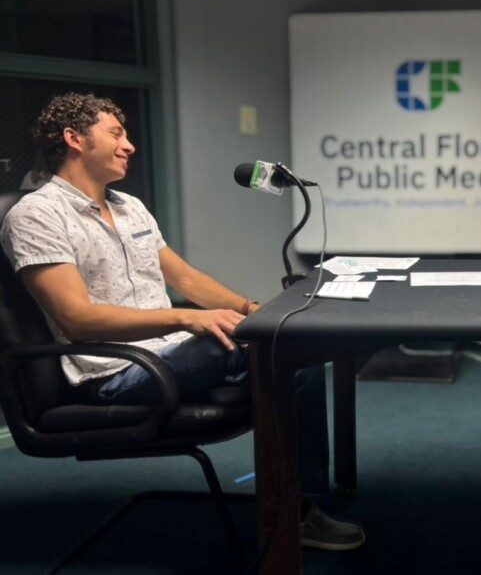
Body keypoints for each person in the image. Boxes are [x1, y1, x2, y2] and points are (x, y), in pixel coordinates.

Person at [0, 93, 365, 551]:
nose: (129, 145)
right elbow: (76, 320)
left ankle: (302, 503)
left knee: (292, 353)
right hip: (114, 373)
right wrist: (187, 318)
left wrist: (254, 310)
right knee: (252, 346)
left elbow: (186, 278)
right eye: (116, 134)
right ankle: (296, 513)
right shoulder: (36, 215)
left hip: (169, 353)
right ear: (74, 139)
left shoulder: (131, 207)